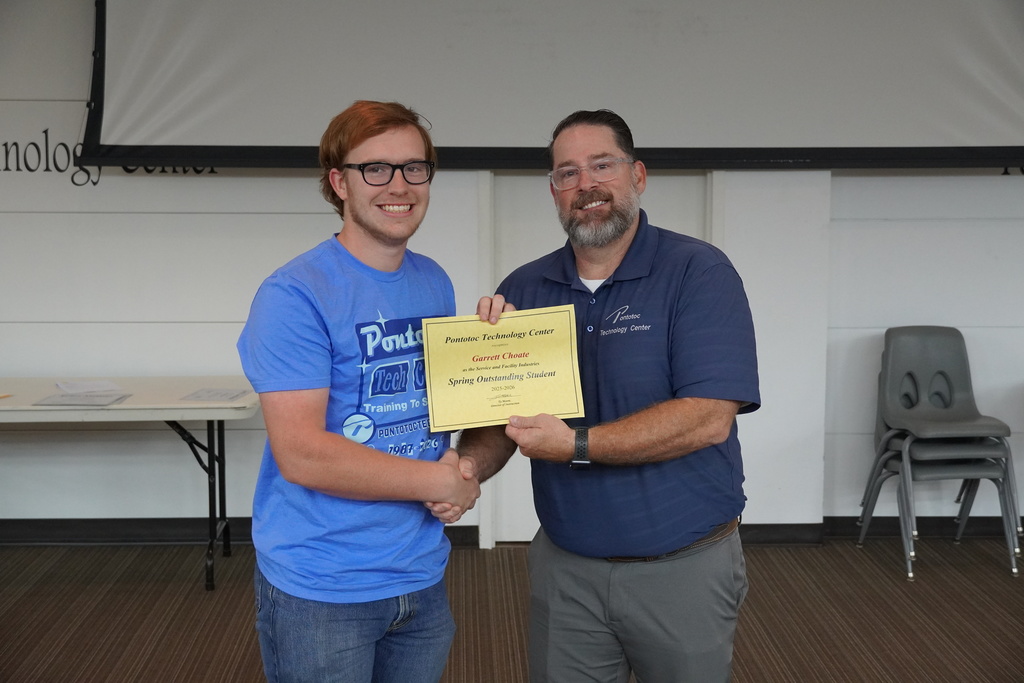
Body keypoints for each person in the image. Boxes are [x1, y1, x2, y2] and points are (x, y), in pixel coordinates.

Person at [447, 109, 760, 682]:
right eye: (567, 173)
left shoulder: (698, 272)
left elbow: (708, 418)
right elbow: (503, 422)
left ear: (637, 176)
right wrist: (462, 469)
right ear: (553, 192)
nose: (585, 185)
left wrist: (576, 444)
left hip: (682, 568)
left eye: (602, 165)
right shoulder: (524, 288)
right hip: (565, 571)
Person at [237, 100, 480, 683]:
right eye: (376, 169)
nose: (398, 185)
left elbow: (436, 412)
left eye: (414, 168)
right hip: (323, 585)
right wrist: (435, 481)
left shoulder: (433, 280)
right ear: (338, 181)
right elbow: (301, 452)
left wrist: (501, 350)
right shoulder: (293, 294)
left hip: (420, 572)